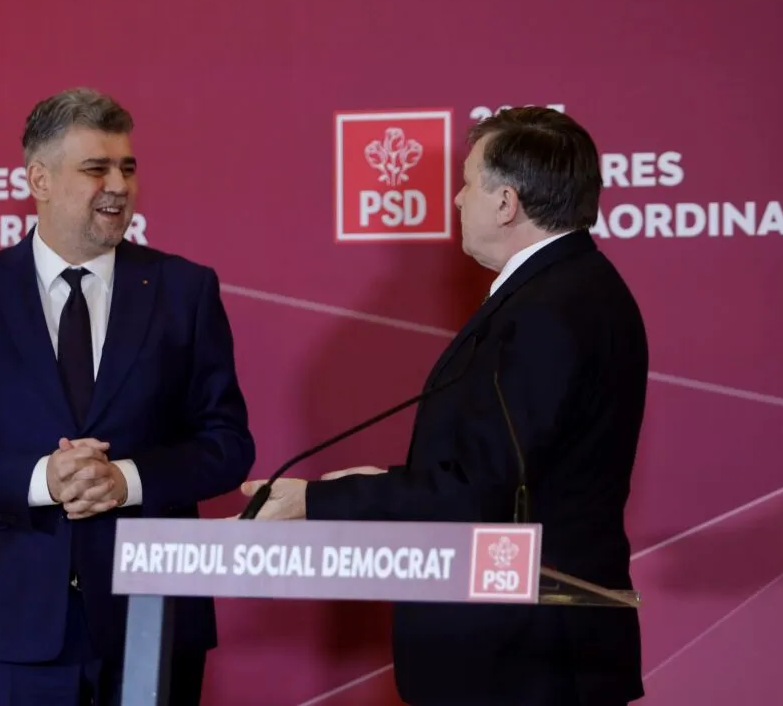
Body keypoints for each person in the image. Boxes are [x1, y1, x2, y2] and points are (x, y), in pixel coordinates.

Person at [239, 107, 647, 706]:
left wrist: (315, 501)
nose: (456, 200)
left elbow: (480, 490)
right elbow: (512, 471)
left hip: (523, 657)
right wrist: (382, 482)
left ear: (505, 203)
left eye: (466, 183)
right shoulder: (576, 288)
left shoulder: (546, 311)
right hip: (539, 650)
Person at [0, 87, 255, 706]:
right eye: (96, 168)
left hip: (154, 618)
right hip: (22, 626)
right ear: (39, 179)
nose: (118, 185)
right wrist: (42, 479)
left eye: (127, 168)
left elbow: (227, 445)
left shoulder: (184, 290)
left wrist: (126, 480)